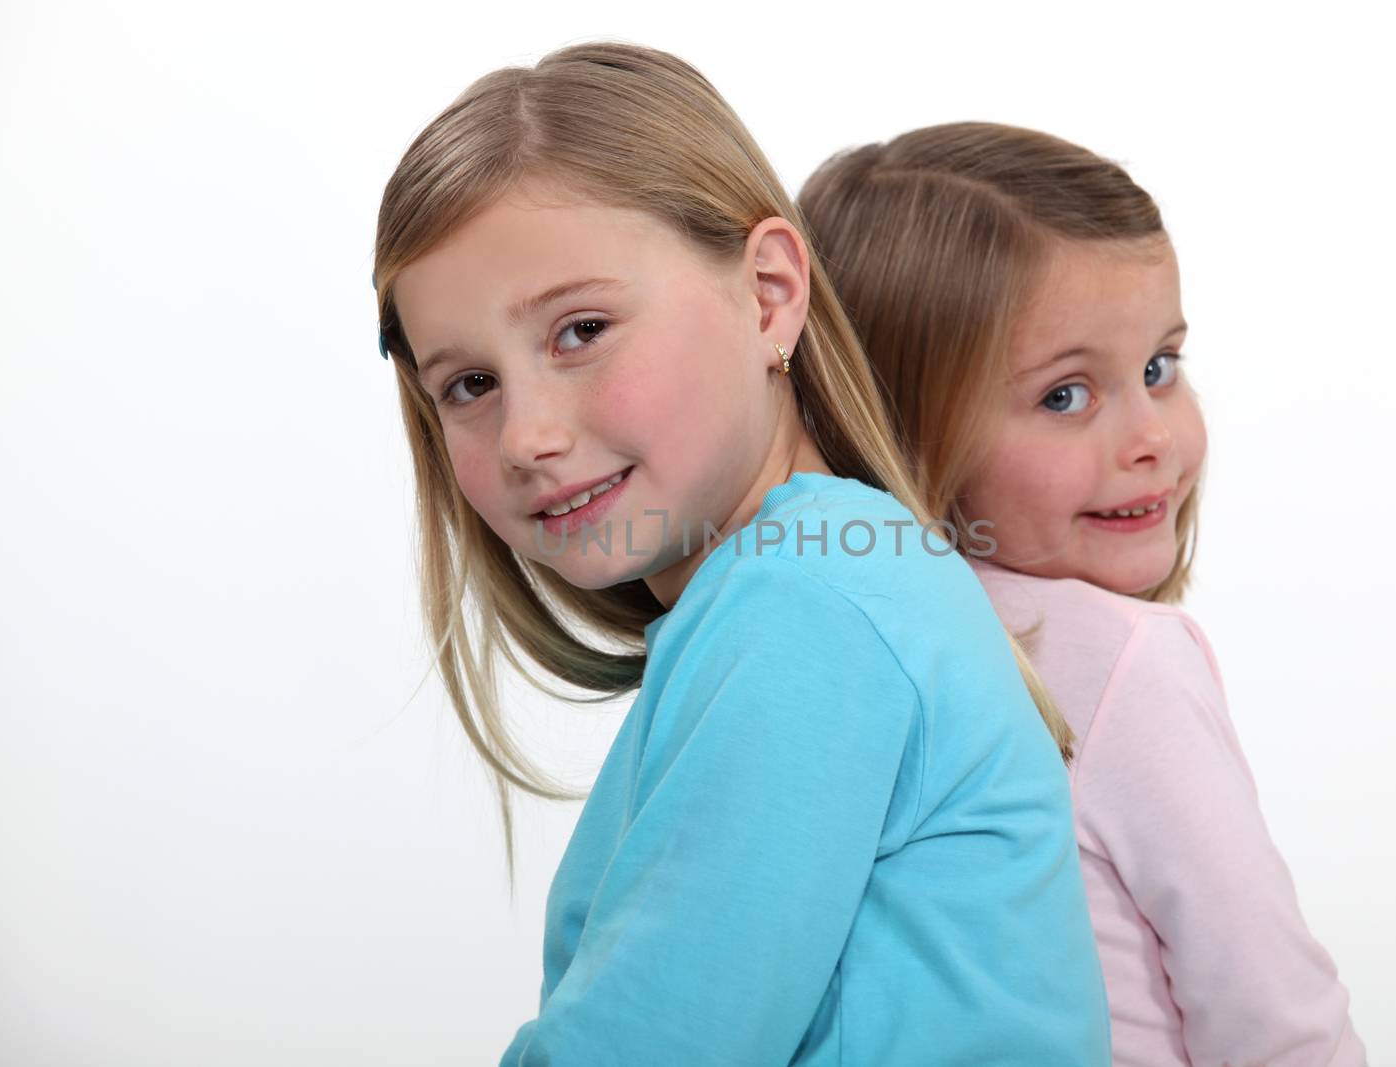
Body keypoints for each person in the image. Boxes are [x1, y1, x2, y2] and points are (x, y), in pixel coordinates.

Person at [371, 50, 1109, 1066]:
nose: (525, 435)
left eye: (580, 330)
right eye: (467, 384)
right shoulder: (803, 586)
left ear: (768, 296)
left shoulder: (806, 601)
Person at [799, 121, 1366, 1067]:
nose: (1152, 436)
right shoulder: (1126, 666)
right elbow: (1274, 1014)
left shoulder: (849, 632)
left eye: (1159, 367)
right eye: (1066, 395)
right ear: (906, 431)